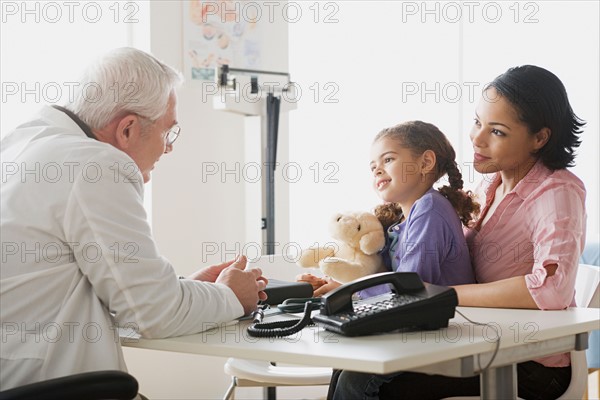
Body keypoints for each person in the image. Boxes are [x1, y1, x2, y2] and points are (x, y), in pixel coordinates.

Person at [0, 47, 267, 390]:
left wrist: (185, 290)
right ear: (126, 130)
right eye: (168, 132)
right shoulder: (94, 165)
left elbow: (110, 293)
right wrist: (231, 295)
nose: (168, 148)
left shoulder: (23, 144)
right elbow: (153, 315)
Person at [361, 66, 586, 399]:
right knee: (361, 368)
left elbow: (551, 288)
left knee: (376, 383)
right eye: (478, 122)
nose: (476, 138)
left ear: (539, 138)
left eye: (496, 131)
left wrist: (442, 293)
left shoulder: (556, 193)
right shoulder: (488, 186)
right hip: (478, 344)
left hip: (530, 365)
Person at [301, 120, 480, 400]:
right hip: (420, 334)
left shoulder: (429, 209)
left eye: (388, 159)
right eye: (373, 167)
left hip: (442, 339)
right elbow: (380, 277)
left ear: (425, 162)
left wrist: (350, 294)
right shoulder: (402, 223)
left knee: (354, 379)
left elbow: (411, 287)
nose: (378, 170)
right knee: (346, 366)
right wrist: (338, 284)